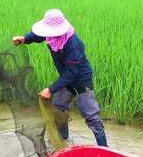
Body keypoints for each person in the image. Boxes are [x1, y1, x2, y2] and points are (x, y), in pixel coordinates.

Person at [12, 9, 108, 147]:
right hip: (66, 79)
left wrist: (50, 89)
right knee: (58, 107)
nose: (48, 34)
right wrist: (25, 39)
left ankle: (104, 149)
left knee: (91, 117)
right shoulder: (53, 37)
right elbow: (39, 36)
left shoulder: (73, 44)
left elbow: (72, 73)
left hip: (81, 81)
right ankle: (64, 140)